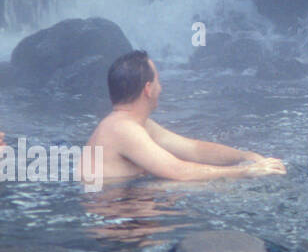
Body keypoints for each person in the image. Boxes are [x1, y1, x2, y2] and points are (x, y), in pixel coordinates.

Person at [84, 52, 286, 183]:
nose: (161, 88)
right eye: (158, 81)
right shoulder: (122, 129)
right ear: (148, 89)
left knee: (205, 187)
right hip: (116, 212)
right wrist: (245, 172)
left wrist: (244, 156)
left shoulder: (134, 125)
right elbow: (179, 171)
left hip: (123, 199)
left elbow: (193, 149)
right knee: (219, 189)